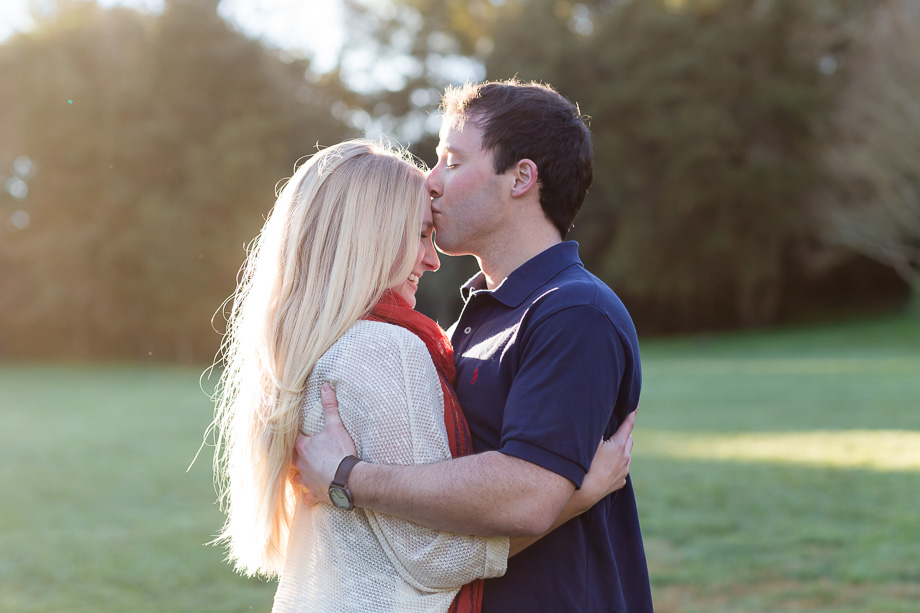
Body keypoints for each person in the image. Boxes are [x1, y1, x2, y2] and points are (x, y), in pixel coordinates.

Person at [210, 139, 635, 613]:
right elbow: (436, 558)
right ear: (366, 235)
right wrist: (579, 494)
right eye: (418, 235)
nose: (432, 260)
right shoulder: (382, 347)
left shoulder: (318, 344)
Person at [293, 80, 654, 612]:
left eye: (452, 162)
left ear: (521, 179)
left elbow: (528, 494)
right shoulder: (478, 315)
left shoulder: (573, 313)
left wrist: (350, 478)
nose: (430, 181)